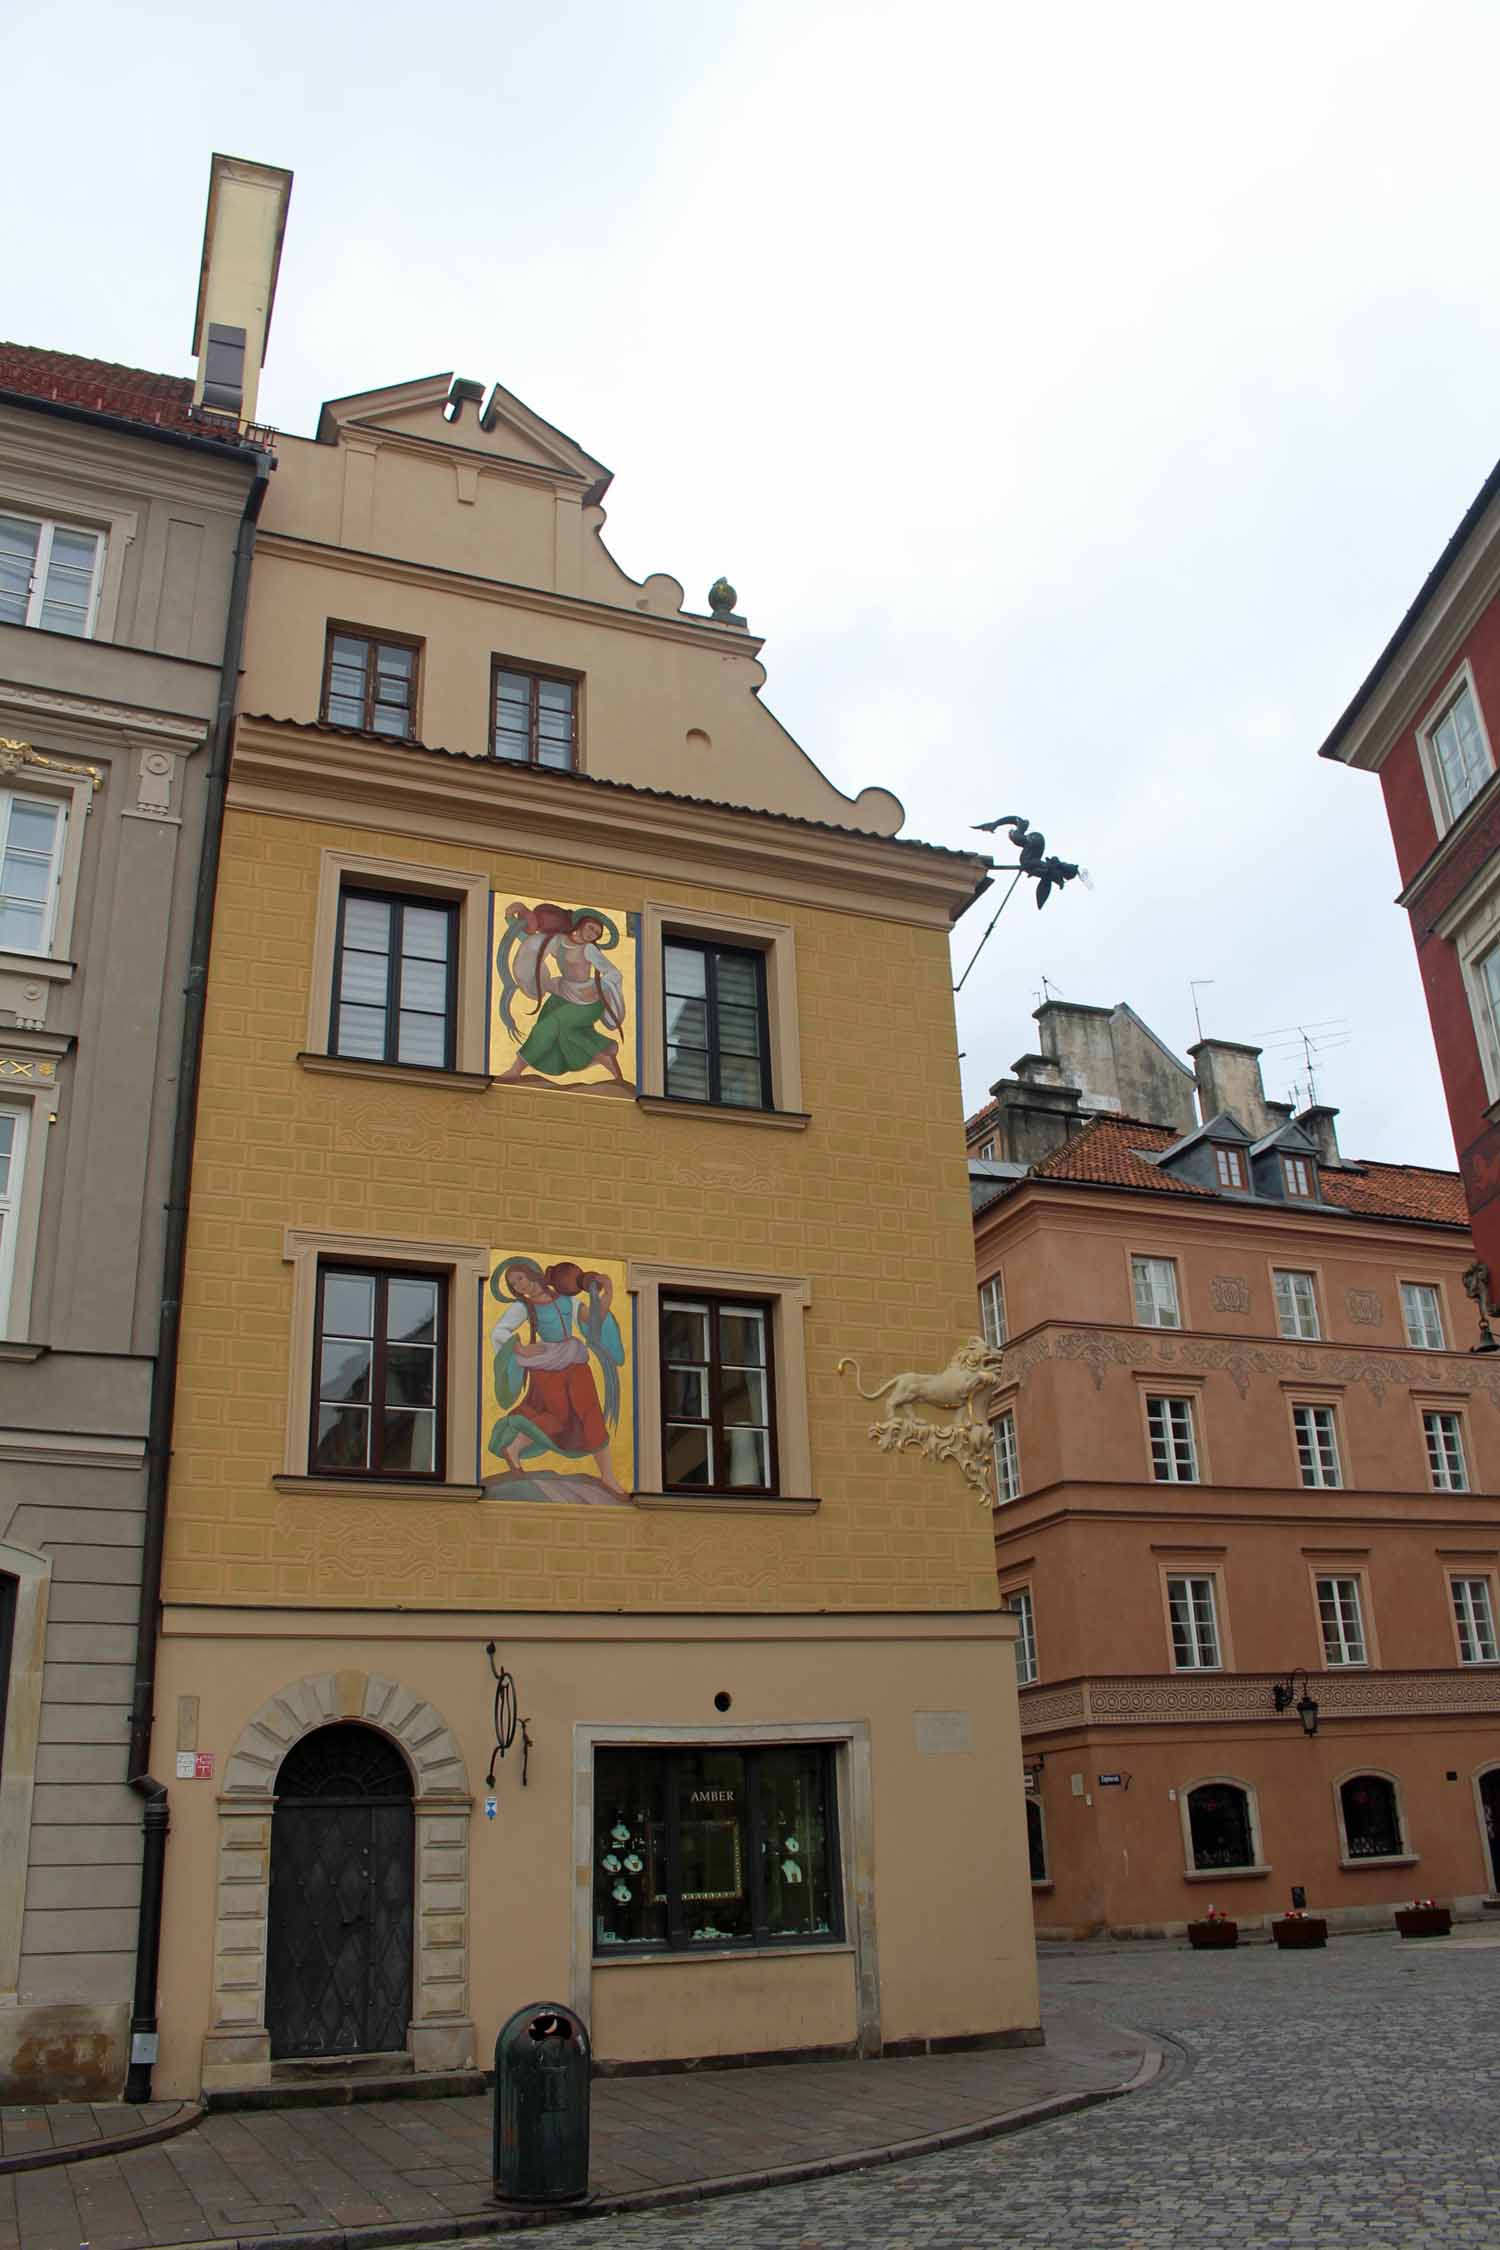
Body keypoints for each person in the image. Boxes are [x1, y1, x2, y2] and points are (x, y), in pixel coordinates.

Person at [489, 1256, 626, 1495]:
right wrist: (520, 1348)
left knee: (591, 1411)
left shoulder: (567, 1301)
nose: (518, 1285)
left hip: (573, 1358)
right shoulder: (523, 1307)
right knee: (558, 1418)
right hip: (546, 1367)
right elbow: (499, 1332)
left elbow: (594, 1320)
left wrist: (609, 1292)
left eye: (519, 1278)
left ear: (531, 1273)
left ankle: (608, 1477)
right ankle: (513, 1447)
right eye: (513, 1284)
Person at [495, 904, 628, 1084]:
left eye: (597, 933)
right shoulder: (558, 941)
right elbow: (530, 942)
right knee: (567, 1033)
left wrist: (598, 987)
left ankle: (514, 1070)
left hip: (588, 1001)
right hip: (564, 993)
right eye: (591, 928)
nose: (592, 934)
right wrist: (512, 919)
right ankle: (609, 1063)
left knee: (549, 1025)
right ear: (581, 924)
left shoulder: (589, 949)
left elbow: (614, 973)